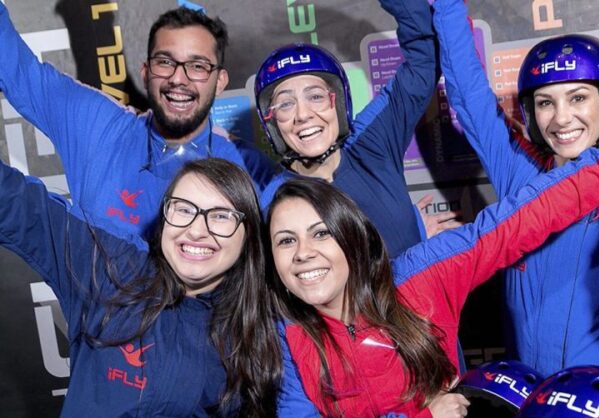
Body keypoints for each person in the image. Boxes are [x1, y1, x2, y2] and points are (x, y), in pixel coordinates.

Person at [264, 84, 599, 416]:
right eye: (286, 240)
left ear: (351, 237)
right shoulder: (291, 332)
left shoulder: (419, 279)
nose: (303, 253)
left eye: (320, 234)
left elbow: (528, 215)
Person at [431, 0, 599, 376]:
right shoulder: (518, 174)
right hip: (531, 396)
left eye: (578, 98)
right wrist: (447, 5)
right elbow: (467, 90)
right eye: (545, 103)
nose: (561, 118)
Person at [0, 157, 289, 416]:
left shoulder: (255, 334)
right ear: (163, 219)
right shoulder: (113, 268)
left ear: (248, 235)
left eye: (221, 216)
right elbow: (17, 201)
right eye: (183, 209)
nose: (197, 230)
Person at [0, 3, 274, 243]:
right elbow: (20, 72)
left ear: (220, 82)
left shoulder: (249, 169)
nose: (179, 79)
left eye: (198, 66)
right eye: (165, 62)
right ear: (146, 73)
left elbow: (307, 219)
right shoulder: (98, 128)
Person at [253, 0, 459, 258]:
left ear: (337, 103)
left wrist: (410, 235)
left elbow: (423, 62)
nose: (303, 114)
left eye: (316, 96)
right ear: (272, 123)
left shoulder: (372, 139)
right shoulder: (274, 202)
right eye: (285, 104)